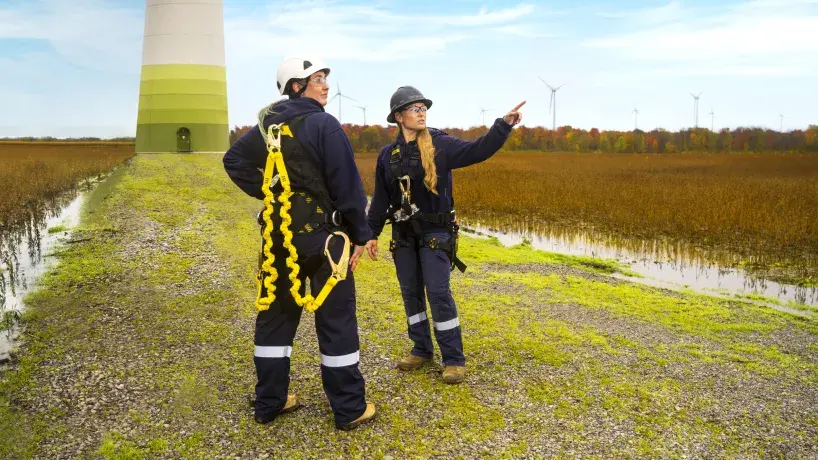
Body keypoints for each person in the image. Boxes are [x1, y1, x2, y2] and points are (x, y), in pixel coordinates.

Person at [222, 56, 375, 430]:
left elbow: (234, 161)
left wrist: (275, 197)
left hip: (279, 240)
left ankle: (269, 402)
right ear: (296, 86)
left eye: (324, 78)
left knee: (274, 318)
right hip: (326, 242)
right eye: (317, 79)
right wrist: (361, 235)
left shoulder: (266, 127)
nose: (325, 85)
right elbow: (348, 187)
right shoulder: (324, 125)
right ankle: (349, 408)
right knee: (336, 321)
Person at [365, 86, 524, 384]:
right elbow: (380, 199)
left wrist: (503, 126)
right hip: (403, 237)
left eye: (423, 107)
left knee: (438, 293)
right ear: (399, 117)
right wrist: (371, 234)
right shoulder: (388, 155)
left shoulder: (440, 145)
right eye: (414, 108)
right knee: (411, 294)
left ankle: (453, 359)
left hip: (436, 234)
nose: (422, 111)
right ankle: (421, 350)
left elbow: (479, 149)